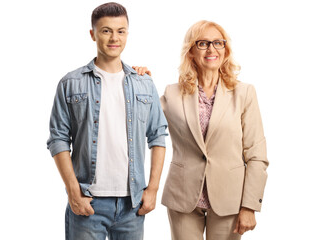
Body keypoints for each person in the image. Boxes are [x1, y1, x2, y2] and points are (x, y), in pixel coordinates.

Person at [46, 2, 168, 240]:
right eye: (106, 30)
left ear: (127, 34)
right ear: (92, 34)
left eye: (121, 31)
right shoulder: (70, 84)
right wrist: (73, 192)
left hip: (132, 204)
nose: (114, 38)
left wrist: (152, 189)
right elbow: (58, 139)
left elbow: (158, 136)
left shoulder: (144, 83)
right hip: (87, 202)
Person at [160, 20, 268, 240]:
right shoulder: (172, 93)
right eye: (203, 43)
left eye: (218, 43)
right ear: (190, 51)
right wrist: (137, 78)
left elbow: (257, 155)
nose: (211, 49)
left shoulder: (244, 93)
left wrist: (250, 205)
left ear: (225, 50)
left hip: (230, 198)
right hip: (183, 198)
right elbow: (144, 121)